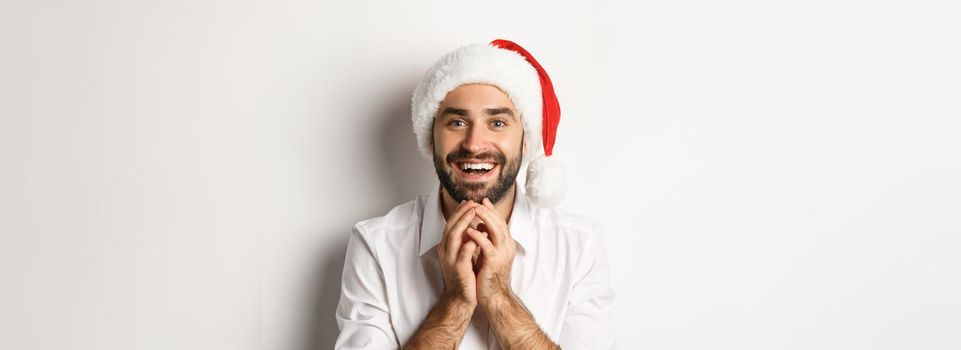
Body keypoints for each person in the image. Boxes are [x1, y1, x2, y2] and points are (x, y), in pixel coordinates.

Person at [335, 39, 616, 349]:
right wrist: (455, 302)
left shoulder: (578, 246)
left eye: (497, 122)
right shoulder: (376, 245)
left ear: (526, 140)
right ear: (431, 137)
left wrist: (499, 297)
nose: (474, 143)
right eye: (457, 122)